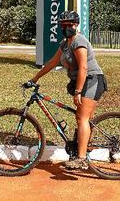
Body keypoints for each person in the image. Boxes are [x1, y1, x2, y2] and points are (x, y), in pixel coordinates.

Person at [29, 10, 107, 170]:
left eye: (69, 25)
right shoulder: (65, 44)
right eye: (63, 25)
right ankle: (83, 147)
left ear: (76, 25)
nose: (66, 28)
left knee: (82, 119)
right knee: (84, 118)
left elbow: (84, 68)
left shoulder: (79, 42)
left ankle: (82, 159)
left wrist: (78, 91)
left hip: (92, 80)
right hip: (82, 82)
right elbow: (52, 62)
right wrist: (35, 78)